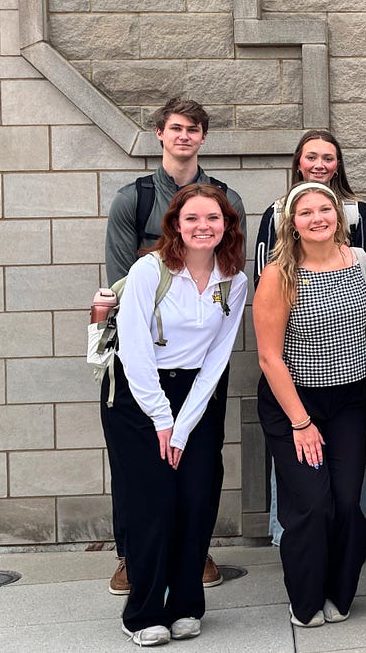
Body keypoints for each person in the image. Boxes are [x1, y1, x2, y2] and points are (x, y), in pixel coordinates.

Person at [101, 97, 245, 596]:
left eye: (194, 129)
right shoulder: (134, 200)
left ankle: (194, 551)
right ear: (160, 133)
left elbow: (229, 268)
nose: (184, 136)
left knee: (200, 465)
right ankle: (131, 556)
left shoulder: (227, 197)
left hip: (200, 364)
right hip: (143, 359)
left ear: (204, 137)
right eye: (176, 128)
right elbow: (122, 286)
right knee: (137, 472)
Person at [255, 182, 366, 628]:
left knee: (346, 503)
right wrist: (301, 422)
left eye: (325, 209)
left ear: (338, 215)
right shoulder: (279, 275)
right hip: (294, 403)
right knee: (310, 504)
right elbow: (269, 358)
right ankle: (305, 602)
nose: (317, 218)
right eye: (305, 212)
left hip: (349, 401)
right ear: (292, 223)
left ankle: (339, 592)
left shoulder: (358, 261)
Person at [255, 129, 366, 277]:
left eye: (328, 159)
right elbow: (261, 277)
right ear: (298, 164)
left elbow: (365, 273)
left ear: (337, 166)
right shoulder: (277, 213)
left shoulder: (357, 213)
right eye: (311, 158)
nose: (319, 165)